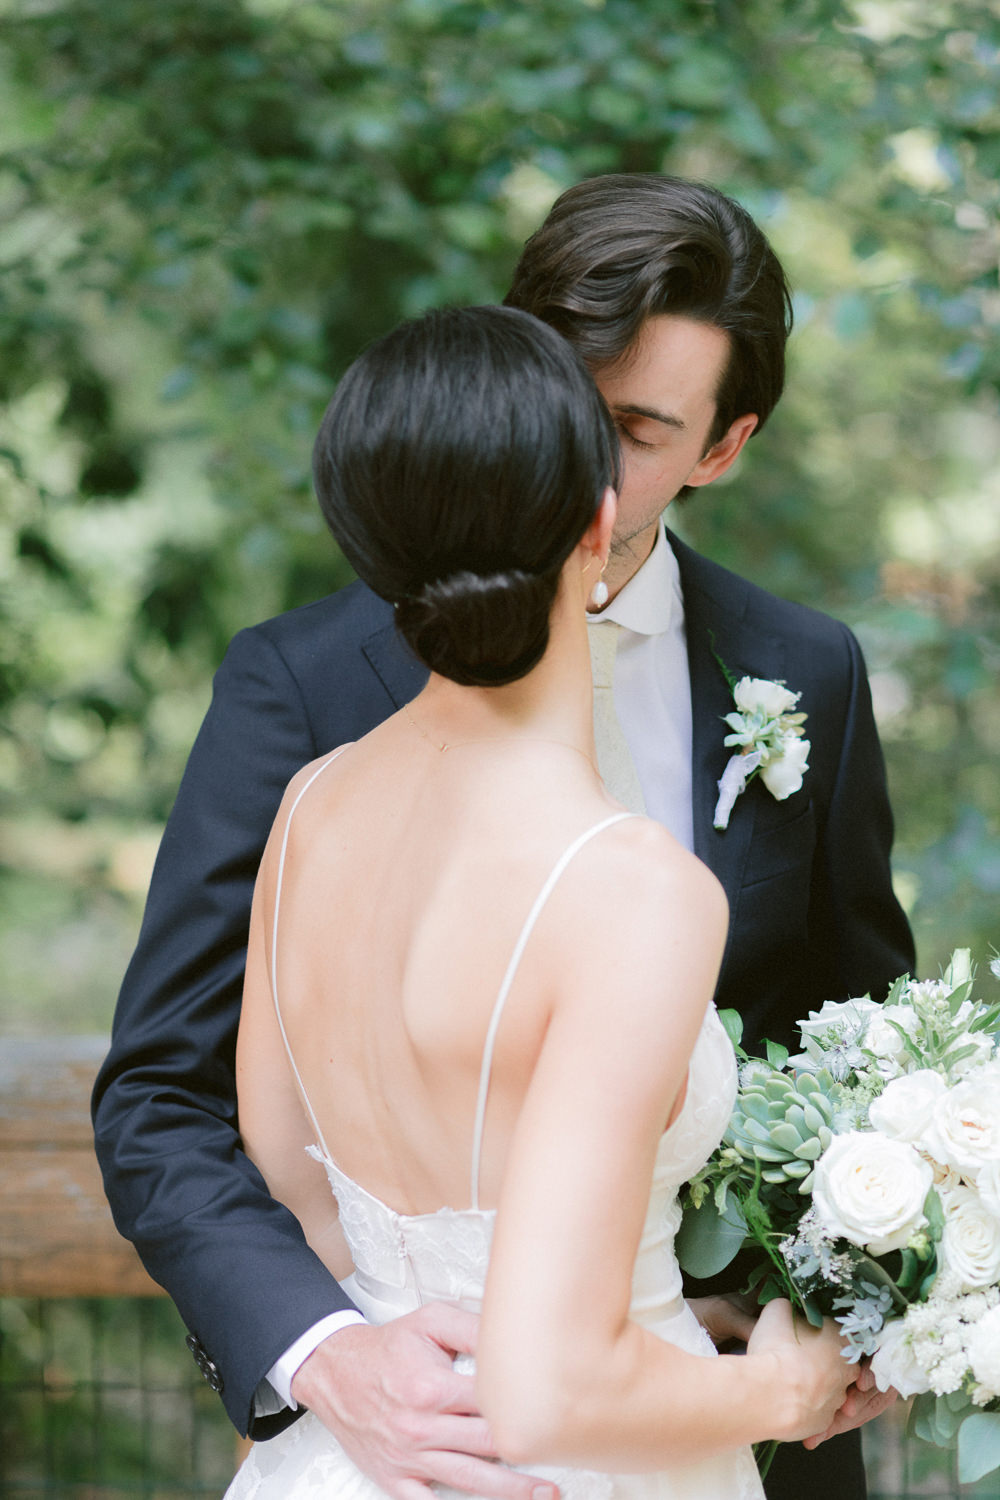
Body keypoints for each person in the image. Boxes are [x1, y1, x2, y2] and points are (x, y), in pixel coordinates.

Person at [93, 174, 913, 1500]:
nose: (574, 465)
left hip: (698, 1420)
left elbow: (853, 1042)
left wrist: (864, 1295)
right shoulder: (298, 691)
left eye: (636, 430)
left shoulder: (805, 670)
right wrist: (330, 1352)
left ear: (723, 446)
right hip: (420, 1427)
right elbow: (162, 1097)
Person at [225, 301, 852, 1499]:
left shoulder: (309, 806)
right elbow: (549, 1387)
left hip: (361, 1455)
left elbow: (294, 1182)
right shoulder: (629, 891)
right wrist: (783, 1388)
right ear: (597, 519)